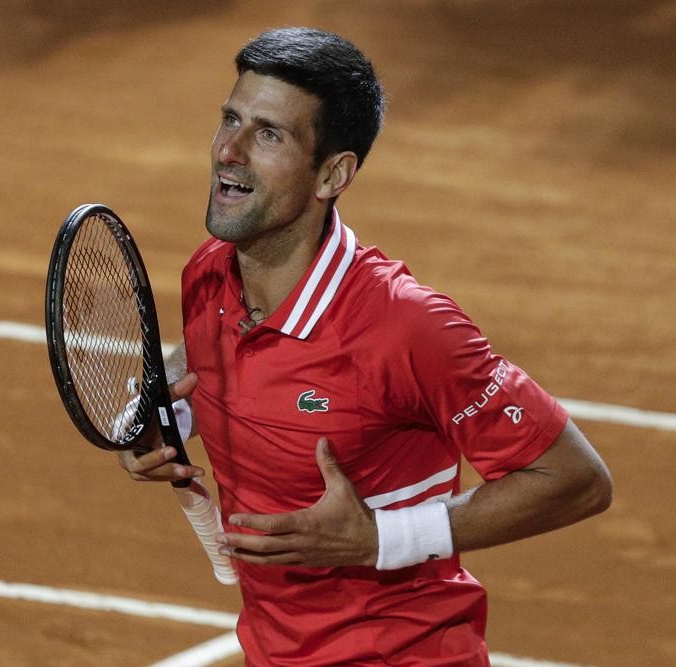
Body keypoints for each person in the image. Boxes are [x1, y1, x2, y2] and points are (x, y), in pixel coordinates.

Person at [117, 27, 613, 666]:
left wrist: (381, 538)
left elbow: (577, 480)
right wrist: (168, 417)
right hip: (275, 650)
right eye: (230, 119)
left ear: (332, 173)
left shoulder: (406, 326)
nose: (228, 152)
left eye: (268, 134)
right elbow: (210, 356)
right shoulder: (211, 271)